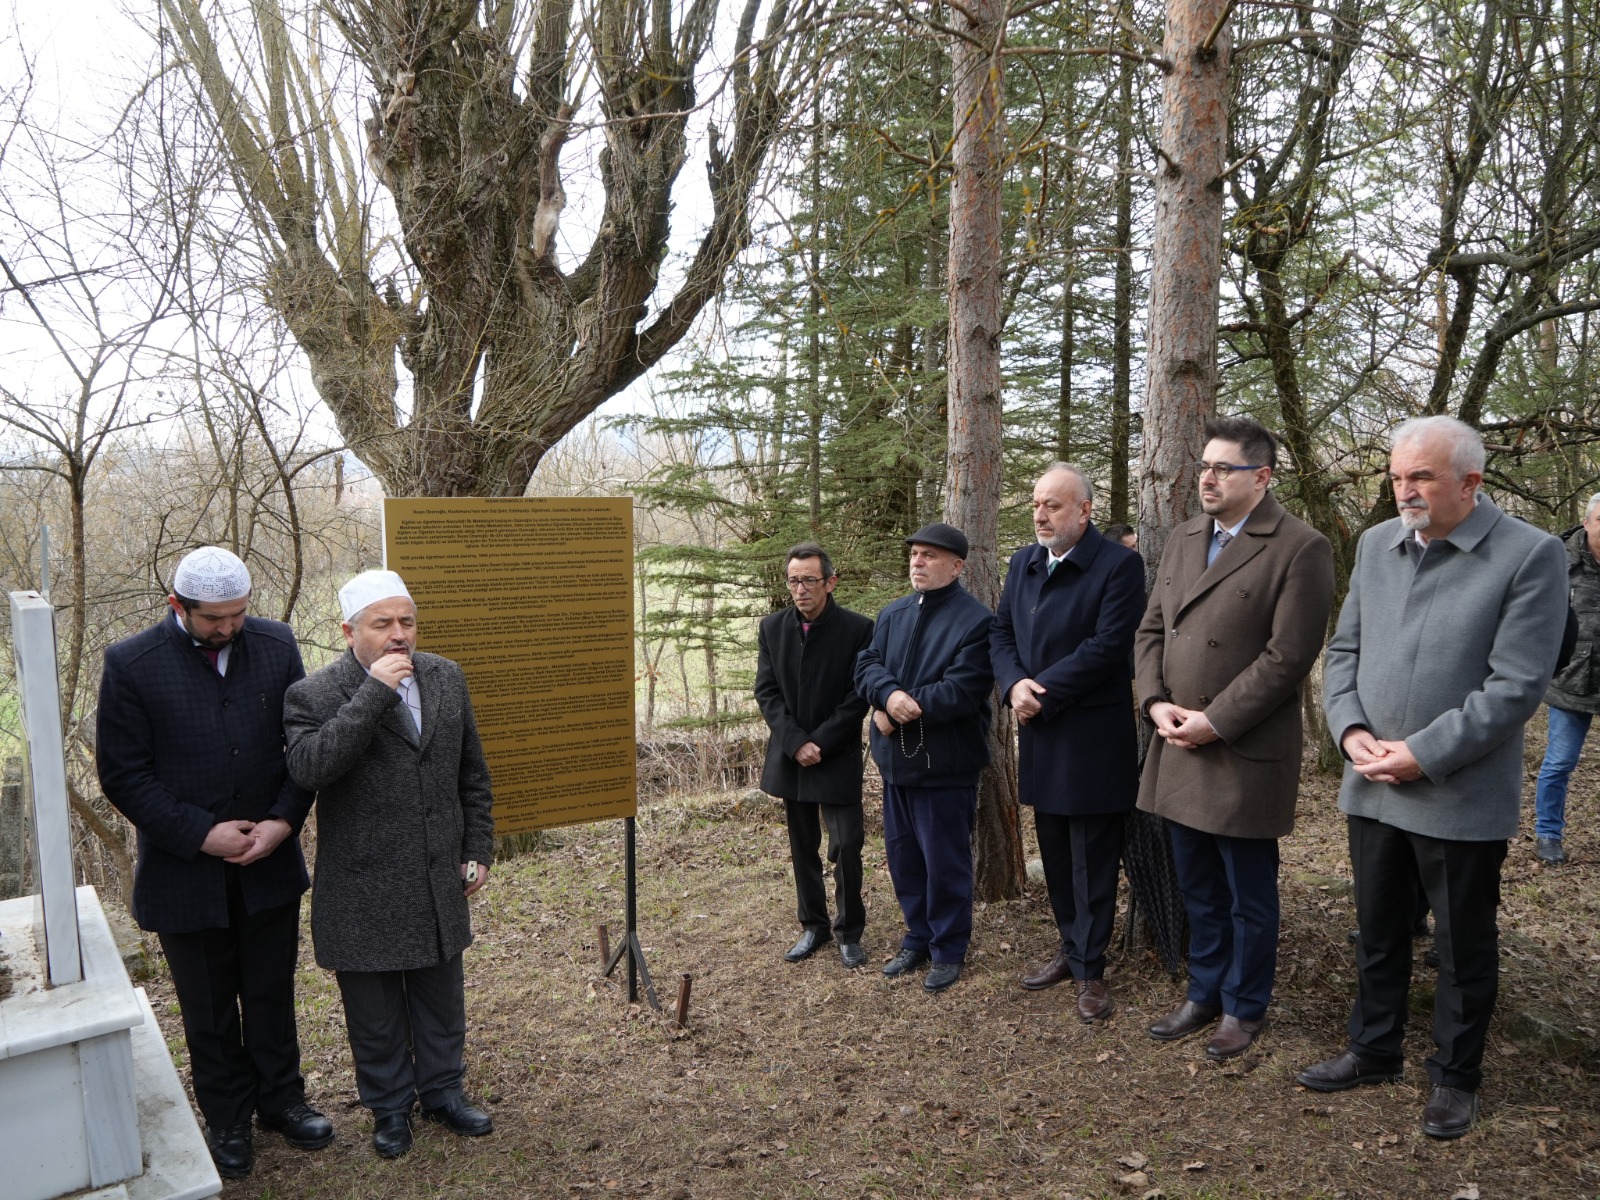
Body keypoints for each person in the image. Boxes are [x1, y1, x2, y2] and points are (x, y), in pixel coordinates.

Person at [1299, 416, 1567, 1140]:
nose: (1404, 490)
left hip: (1457, 791)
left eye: (1421, 477)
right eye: (1396, 476)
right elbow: (1345, 647)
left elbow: (1516, 687)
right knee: (1379, 931)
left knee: (1461, 942)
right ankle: (1374, 1049)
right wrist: (1350, 730)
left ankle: (1456, 1076)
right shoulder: (1376, 545)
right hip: (1371, 781)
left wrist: (1421, 752)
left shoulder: (1530, 555)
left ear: (1471, 482)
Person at [96, 546, 332, 1179]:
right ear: (178, 605)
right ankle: (227, 1116)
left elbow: (301, 744)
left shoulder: (277, 644)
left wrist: (284, 820)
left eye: (238, 614)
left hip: (269, 862)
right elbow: (123, 774)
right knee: (206, 1005)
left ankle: (282, 1099)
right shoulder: (131, 663)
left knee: (271, 991)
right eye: (213, 619)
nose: (228, 628)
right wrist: (203, 835)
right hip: (185, 872)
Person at [1135, 416, 1335, 1059]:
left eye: (1224, 468)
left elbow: (1288, 657)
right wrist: (1155, 702)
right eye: (1204, 468)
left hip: (1241, 749)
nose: (1209, 479)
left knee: (1248, 893)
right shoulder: (1185, 537)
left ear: (1263, 476)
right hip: (1176, 741)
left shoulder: (1300, 547)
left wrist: (1214, 720)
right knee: (1197, 885)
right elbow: (1151, 631)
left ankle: (1244, 1008)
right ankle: (1205, 990)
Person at [284, 570, 496, 1160]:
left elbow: (471, 775)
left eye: (407, 622)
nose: (399, 634)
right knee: (374, 1009)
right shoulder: (315, 693)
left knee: (439, 994)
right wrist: (374, 693)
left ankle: (443, 1092)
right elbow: (311, 768)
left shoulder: (445, 677)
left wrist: (476, 847)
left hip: (436, 875)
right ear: (349, 631)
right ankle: (389, 1107)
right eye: (384, 624)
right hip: (364, 883)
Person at [991, 465, 1144, 1022]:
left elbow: (1108, 647)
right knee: (1054, 847)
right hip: (1038, 727)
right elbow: (1001, 631)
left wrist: (1042, 691)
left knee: (1092, 855)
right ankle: (1068, 948)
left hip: (1091, 735)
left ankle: (1092, 969)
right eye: (1036, 504)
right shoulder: (1023, 562)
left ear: (1084, 511)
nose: (1040, 515)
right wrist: (1013, 685)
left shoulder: (1119, 565)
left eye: (1053, 505)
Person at [854, 523, 995, 992]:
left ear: (957, 566)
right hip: (896, 765)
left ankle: (948, 947)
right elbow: (866, 664)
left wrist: (898, 711)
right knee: (904, 858)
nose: (918, 561)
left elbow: (961, 690)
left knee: (945, 862)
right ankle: (917, 935)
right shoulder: (892, 613)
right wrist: (887, 694)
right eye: (914, 553)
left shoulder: (976, 621)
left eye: (930, 555)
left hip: (945, 765)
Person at [754, 542, 876, 967]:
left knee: (847, 843)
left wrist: (819, 742)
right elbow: (766, 692)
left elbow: (857, 696)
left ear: (830, 582)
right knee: (802, 845)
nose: (801, 589)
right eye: (794, 581)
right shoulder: (772, 628)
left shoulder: (859, 629)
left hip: (835, 752)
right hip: (791, 755)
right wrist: (794, 742)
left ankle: (849, 931)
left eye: (809, 580)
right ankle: (813, 925)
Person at [1530, 492, 1600, 865]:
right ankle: (1548, 834)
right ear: (1586, 522)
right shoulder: (1556, 559)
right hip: (1570, 680)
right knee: (1559, 762)